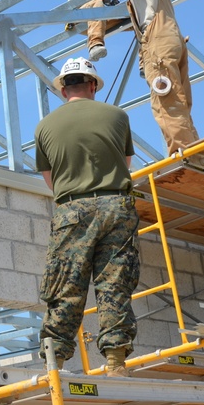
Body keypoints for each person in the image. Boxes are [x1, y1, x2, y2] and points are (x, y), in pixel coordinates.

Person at [34, 57, 138, 377]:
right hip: (116, 205)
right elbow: (127, 161)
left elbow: (49, 178)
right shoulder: (117, 116)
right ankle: (116, 364)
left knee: (66, 285)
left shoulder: (45, 126)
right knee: (114, 284)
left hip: (70, 209)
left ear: (63, 89)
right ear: (93, 85)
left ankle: (57, 364)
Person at [48, 0, 197, 154]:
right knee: (179, 99)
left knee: (165, 100)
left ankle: (182, 153)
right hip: (172, 37)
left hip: (157, 38)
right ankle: (193, 145)